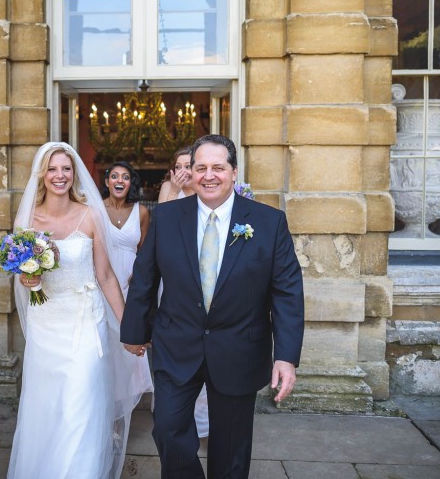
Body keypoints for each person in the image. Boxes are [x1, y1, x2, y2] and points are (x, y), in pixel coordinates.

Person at [120, 134, 304, 479]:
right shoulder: (167, 217)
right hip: (176, 344)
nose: (209, 175)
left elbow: (287, 292)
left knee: (231, 449)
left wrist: (286, 356)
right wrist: (134, 331)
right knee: (169, 431)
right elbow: (145, 277)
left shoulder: (269, 222)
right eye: (200, 167)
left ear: (233, 172)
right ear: (190, 172)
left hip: (239, 347)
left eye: (218, 167)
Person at [8, 142, 147, 479]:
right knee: (48, 407)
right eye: (53, 169)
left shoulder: (90, 214)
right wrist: (28, 278)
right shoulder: (27, 219)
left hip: (86, 322)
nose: (60, 175)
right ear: (42, 174)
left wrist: (130, 327)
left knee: (81, 404)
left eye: (66, 169)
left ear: (75, 173)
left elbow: (106, 276)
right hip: (46, 323)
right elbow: (22, 275)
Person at [156, 147, 209, 437]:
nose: (183, 171)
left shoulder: (206, 191)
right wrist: (174, 190)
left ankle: (203, 418)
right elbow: (160, 228)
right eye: (178, 166)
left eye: (188, 165)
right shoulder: (169, 188)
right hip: (173, 276)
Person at [102, 161, 154, 398]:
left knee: (127, 336)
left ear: (130, 182)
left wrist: (139, 276)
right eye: (115, 176)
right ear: (107, 182)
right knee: (106, 337)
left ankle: (125, 398)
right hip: (103, 279)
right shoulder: (95, 210)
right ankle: (104, 398)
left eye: (125, 177)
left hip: (130, 282)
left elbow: (145, 250)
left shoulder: (141, 212)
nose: (119, 181)